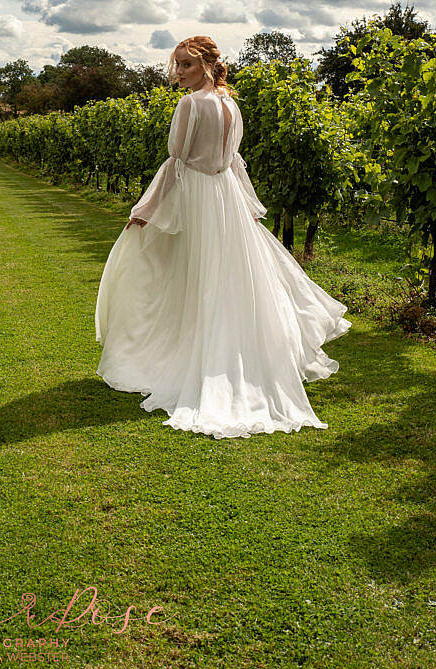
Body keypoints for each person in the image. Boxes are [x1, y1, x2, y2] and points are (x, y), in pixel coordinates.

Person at [94, 35, 351, 439]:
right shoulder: (231, 104)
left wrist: (145, 210)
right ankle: (223, 356)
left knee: (183, 276)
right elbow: (232, 163)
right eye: (176, 64)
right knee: (223, 280)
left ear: (207, 66)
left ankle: (188, 359)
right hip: (223, 196)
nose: (178, 72)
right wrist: (246, 208)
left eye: (187, 65)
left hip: (197, 195)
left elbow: (176, 163)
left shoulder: (191, 104)